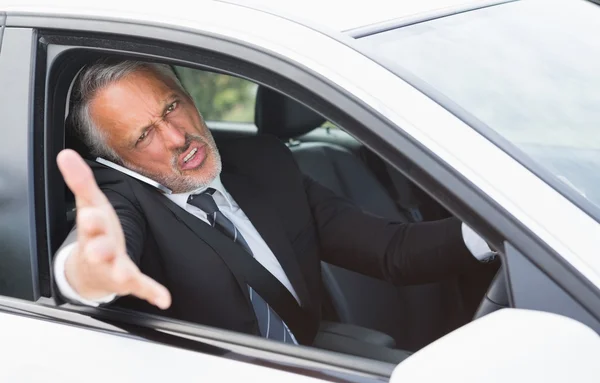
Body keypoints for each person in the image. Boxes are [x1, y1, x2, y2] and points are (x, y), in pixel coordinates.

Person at [54, 59, 496, 359]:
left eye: (172, 107)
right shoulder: (119, 201)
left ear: (188, 96)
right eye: (142, 136)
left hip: (306, 372)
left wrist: (499, 232)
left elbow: (391, 250)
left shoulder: (266, 163)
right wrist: (89, 273)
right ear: (116, 162)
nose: (175, 137)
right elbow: (98, 253)